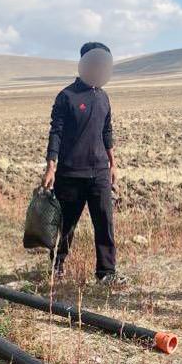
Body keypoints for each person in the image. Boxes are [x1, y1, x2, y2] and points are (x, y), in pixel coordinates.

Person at [41, 42, 122, 285]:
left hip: (98, 172)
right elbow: (56, 132)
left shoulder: (104, 97)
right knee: (66, 224)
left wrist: (113, 164)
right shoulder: (67, 96)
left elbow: (107, 131)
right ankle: (57, 265)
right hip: (71, 172)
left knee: (105, 224)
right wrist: (51, 166)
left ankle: (106, 273)